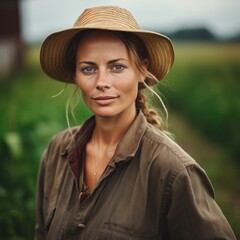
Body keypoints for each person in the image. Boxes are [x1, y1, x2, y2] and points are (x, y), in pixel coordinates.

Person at [35, 5, 236, 240]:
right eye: (88, 68)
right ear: (76, 75)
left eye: (117, 67)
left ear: (142, 70)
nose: (102, 82)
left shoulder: (173, 172)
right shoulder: (56, 153)